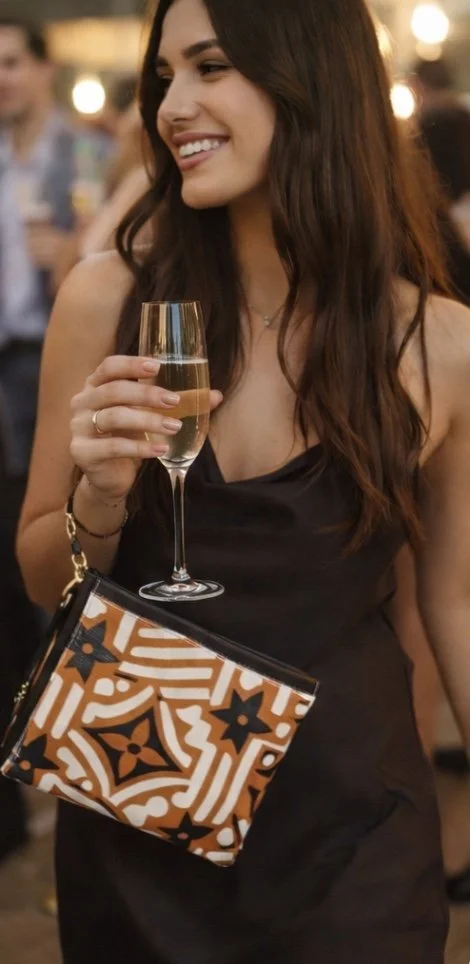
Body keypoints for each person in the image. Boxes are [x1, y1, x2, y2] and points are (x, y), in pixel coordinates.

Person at [16, 0, 470, 959]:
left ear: (316, 82)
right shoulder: (108, 301)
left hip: (352, 833)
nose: (173, 104)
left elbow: (458, 603)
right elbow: (39, 577)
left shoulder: (443, 343)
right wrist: (97, 502)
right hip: (147, 810)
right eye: (164, 76)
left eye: (211, 66)